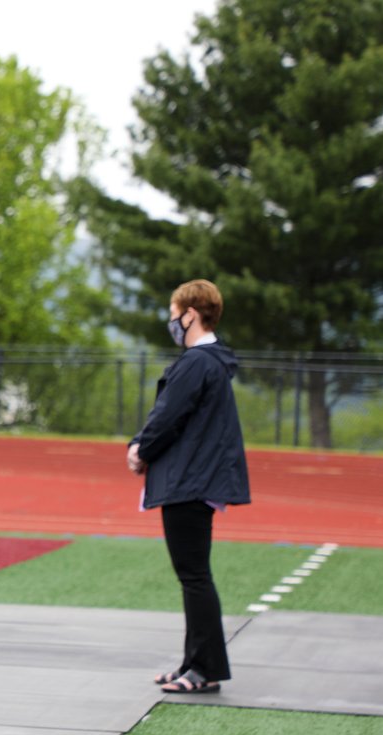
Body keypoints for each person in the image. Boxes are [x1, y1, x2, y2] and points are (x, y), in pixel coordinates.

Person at [126, 278, 250, 695]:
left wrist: (140, 450)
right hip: (198, 479)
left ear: (190, 314)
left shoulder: (197, 362)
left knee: (194, 576)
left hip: (189, 482)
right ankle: (193, 663)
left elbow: (167, 416)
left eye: (173, 313)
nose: (170, 321)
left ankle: (205, 669)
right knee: (193, 575)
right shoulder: (212, 361)